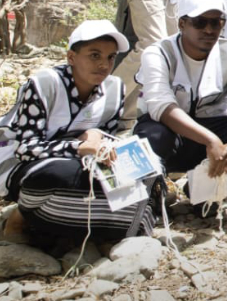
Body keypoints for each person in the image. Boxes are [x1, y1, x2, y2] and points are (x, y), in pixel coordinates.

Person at [0, 21, 154, 243]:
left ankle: (59, 221)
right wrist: (78, 146)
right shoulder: (44, 84)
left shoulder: (114, 88)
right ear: (71, 57)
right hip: (20, 165)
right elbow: (26, 148)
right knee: (57, 175)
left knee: (141, 181)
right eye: (94, 55)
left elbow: (107, 135)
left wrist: (96, 136)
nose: (104, 64)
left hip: (79, 163)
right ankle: (22, 215)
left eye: (110, 57)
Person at [133, 0, 227, 176]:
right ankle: (152, 191)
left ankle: (205, 191)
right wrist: (210, 140)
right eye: (200, 22)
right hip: (170, 131)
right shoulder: (158, 53)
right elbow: (163, 107)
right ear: (182, 24)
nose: (209, 30)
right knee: (153, 137)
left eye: (216, 23)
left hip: (210, 126)